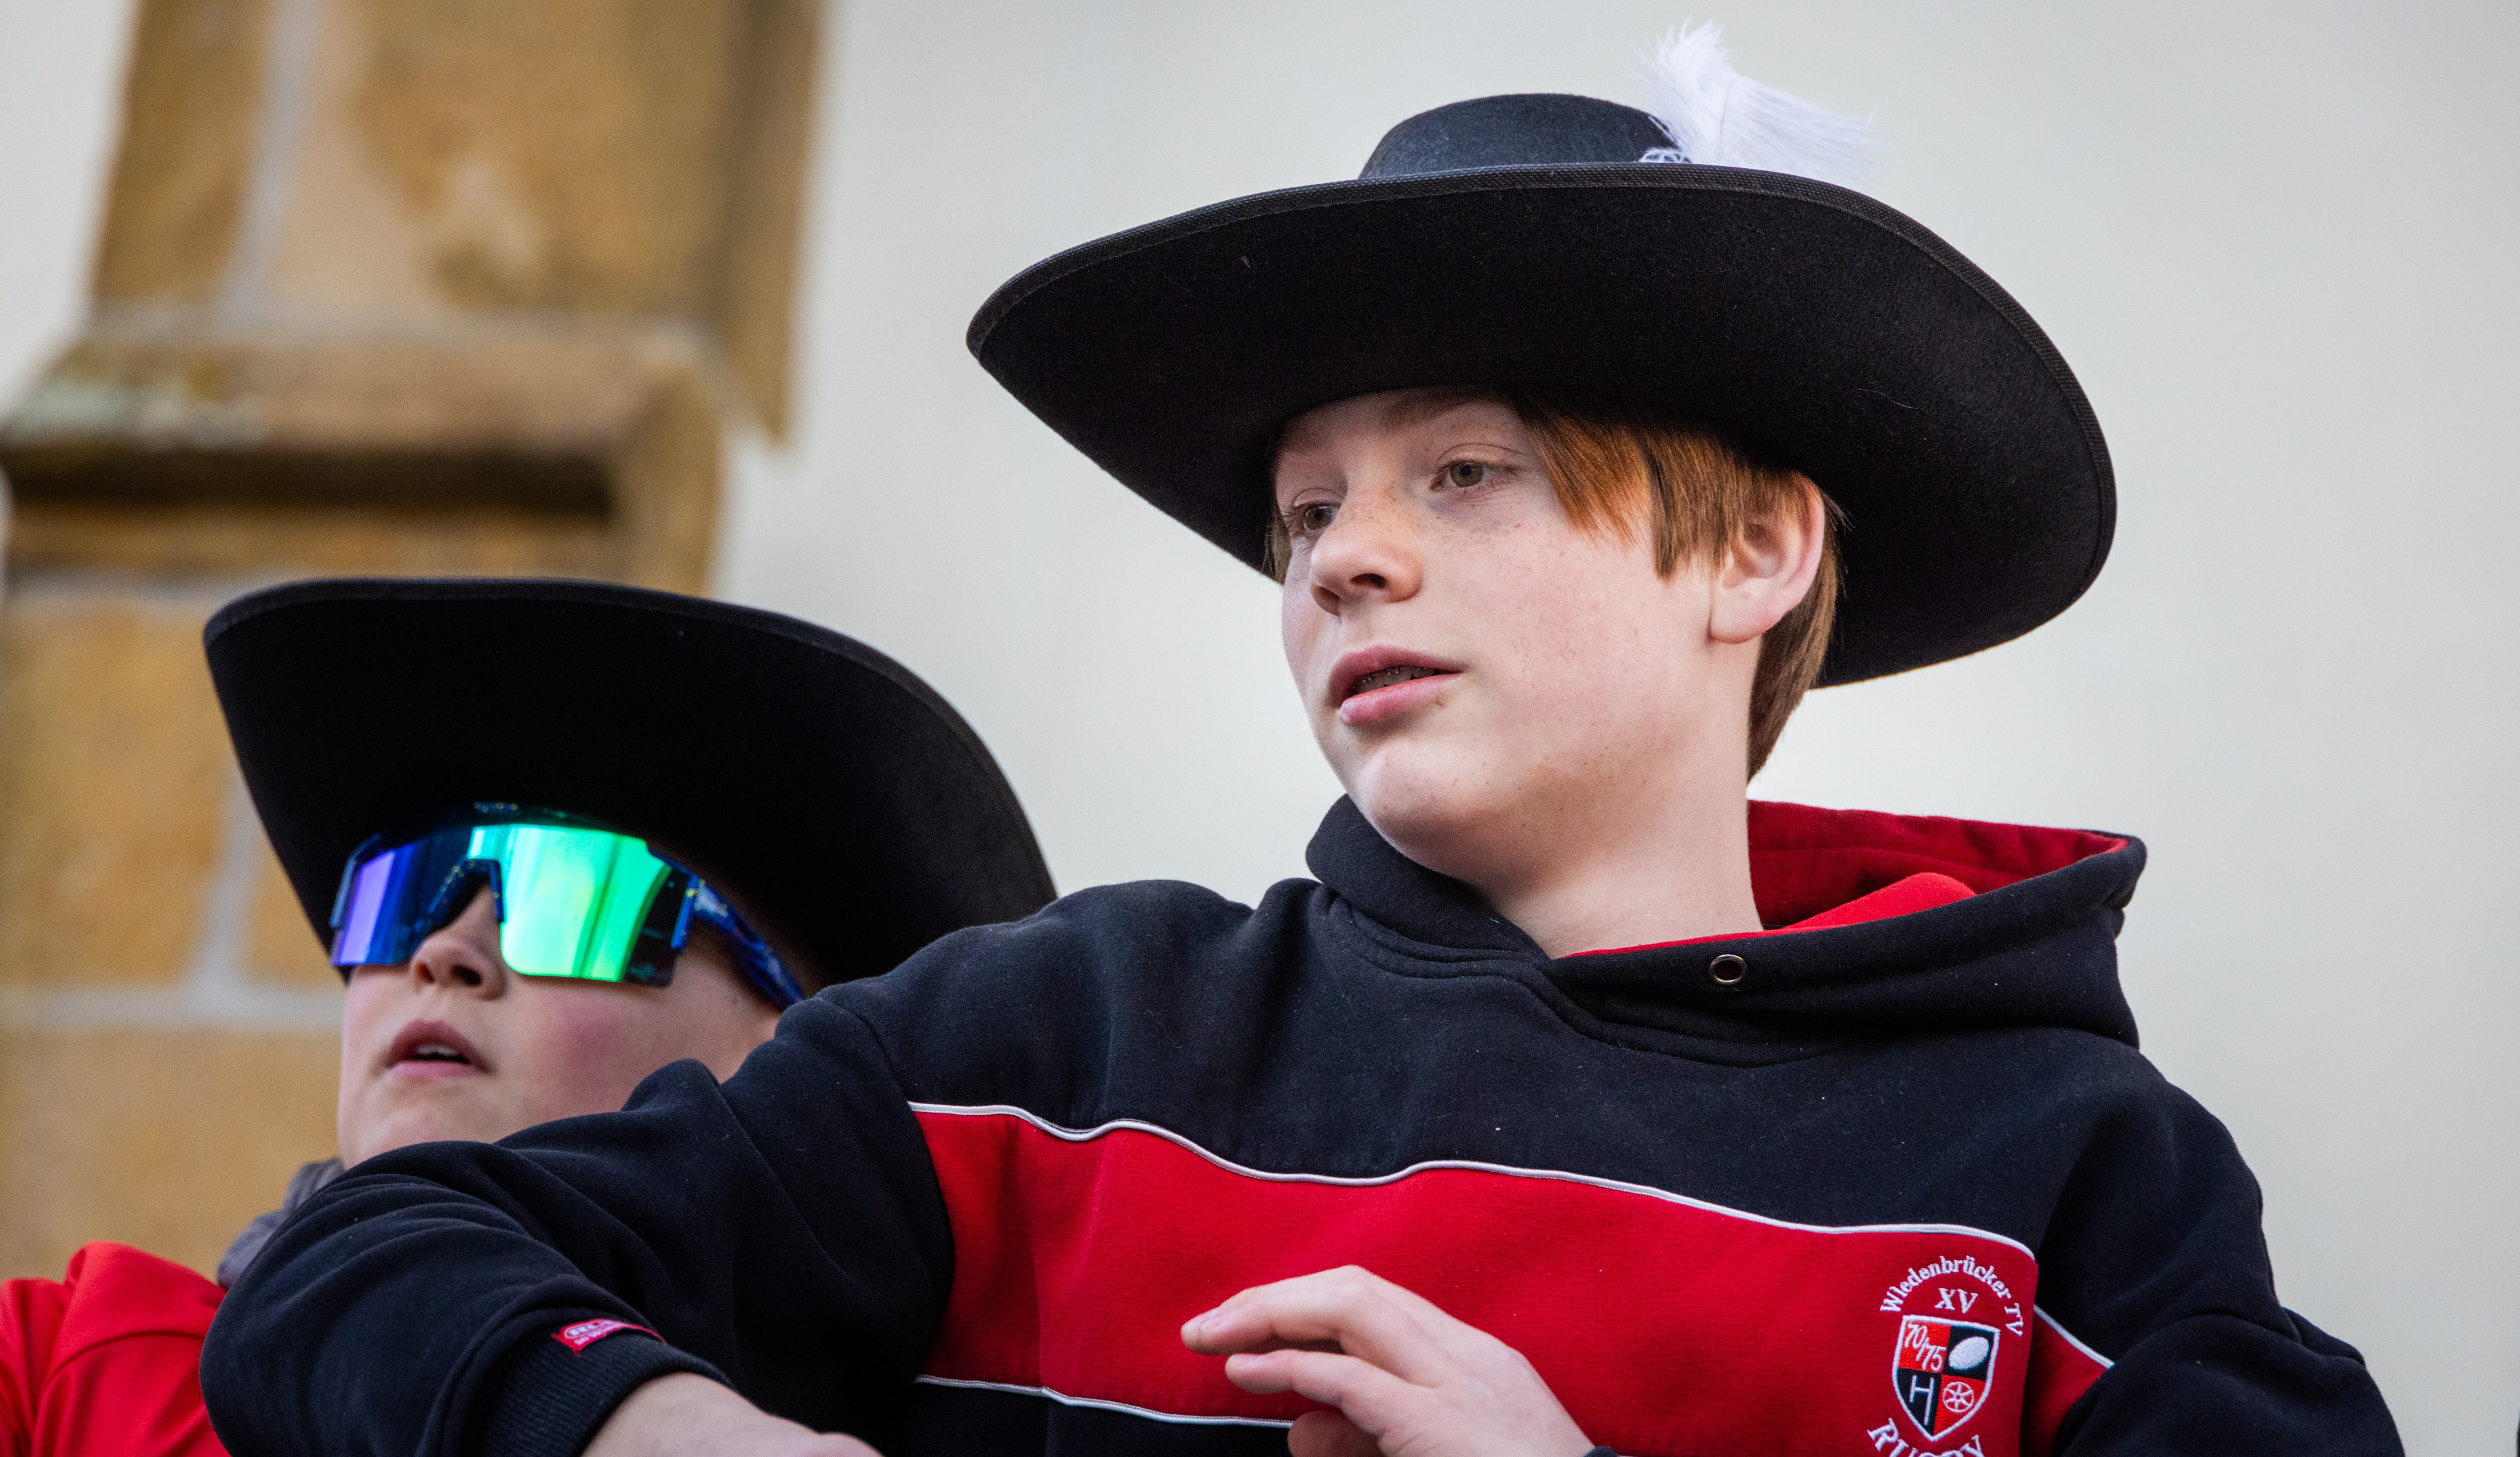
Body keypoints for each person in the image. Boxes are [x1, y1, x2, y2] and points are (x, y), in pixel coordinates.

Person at [200, 29, 2402, 1457]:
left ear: (1751, 548)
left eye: (1464, 473)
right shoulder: (1046, 1041)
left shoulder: (2074, 1175)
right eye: (1301, 511)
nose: (1344, 557)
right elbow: (347, 1272)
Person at [0, 576, 1052, 1457]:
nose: (442, 950)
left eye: (573, 901)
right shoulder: (60, 1374)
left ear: (794, 1054)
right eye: (402, 892)